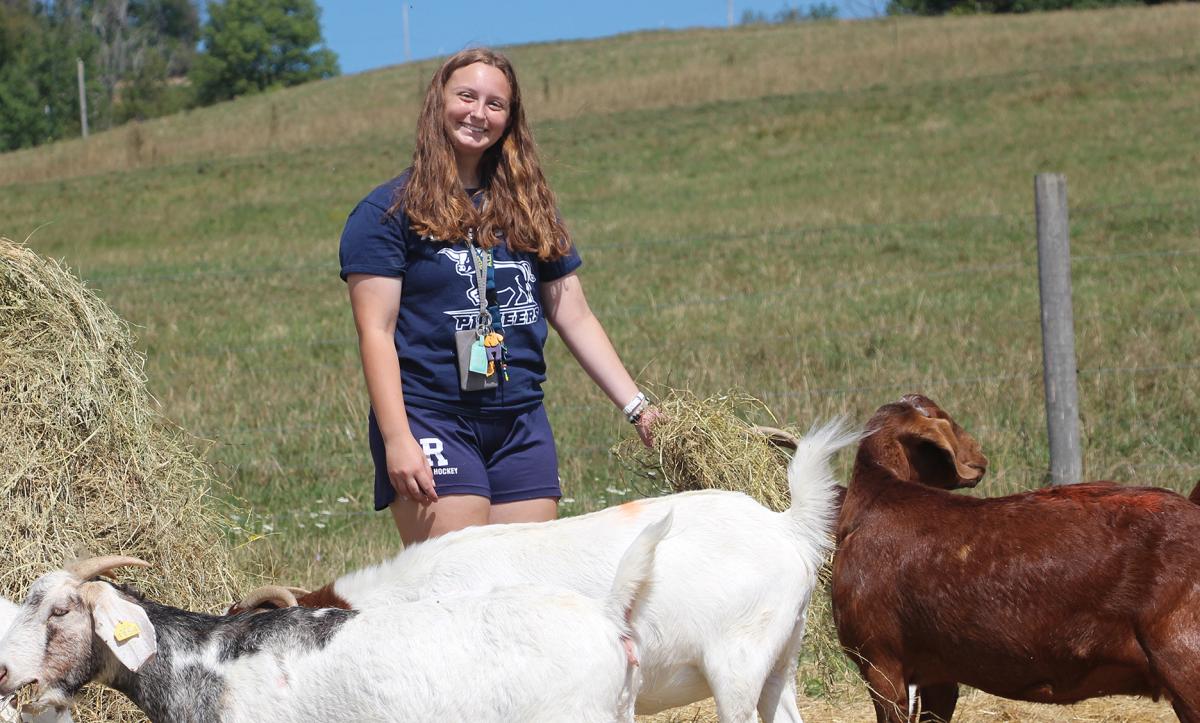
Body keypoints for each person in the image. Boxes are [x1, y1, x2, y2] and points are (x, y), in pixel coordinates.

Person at [338, 48, 656, 546]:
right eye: (466, 96)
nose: (478, 113)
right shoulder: (386, 213)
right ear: (438, 102)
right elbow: (375, 332)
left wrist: (638, 408)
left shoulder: (530, 207)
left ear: (510, 118)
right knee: (458, 581)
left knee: (526, 583)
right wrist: (398, 439)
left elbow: (574, 314)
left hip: (520, 423)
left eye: (495, 104)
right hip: (432, 417)